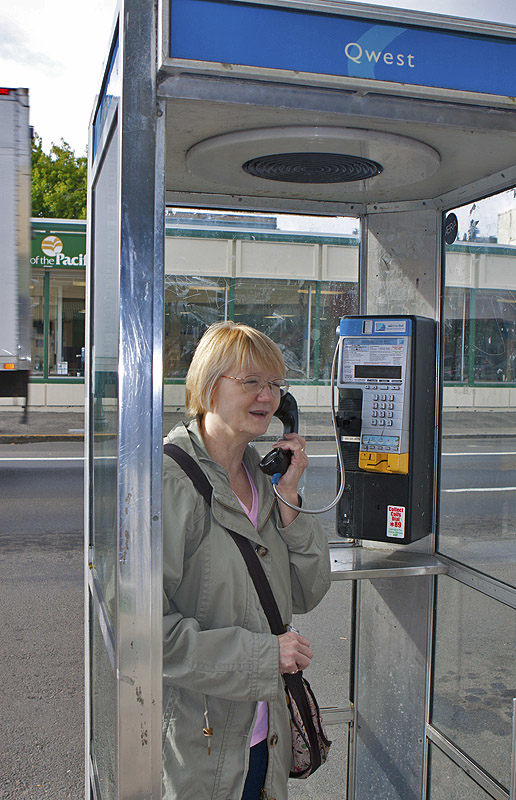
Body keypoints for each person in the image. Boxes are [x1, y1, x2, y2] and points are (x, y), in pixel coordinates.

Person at [162, 321, 331, 800]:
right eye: (252, 381)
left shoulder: (262, 477)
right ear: (209, 385)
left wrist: (289, 496)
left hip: (264, 732)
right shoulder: (170, 482)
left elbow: (307, 592)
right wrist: (264, 655)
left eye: (276, 384)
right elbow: (144, 633)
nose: (269, 397)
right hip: (202, 741)